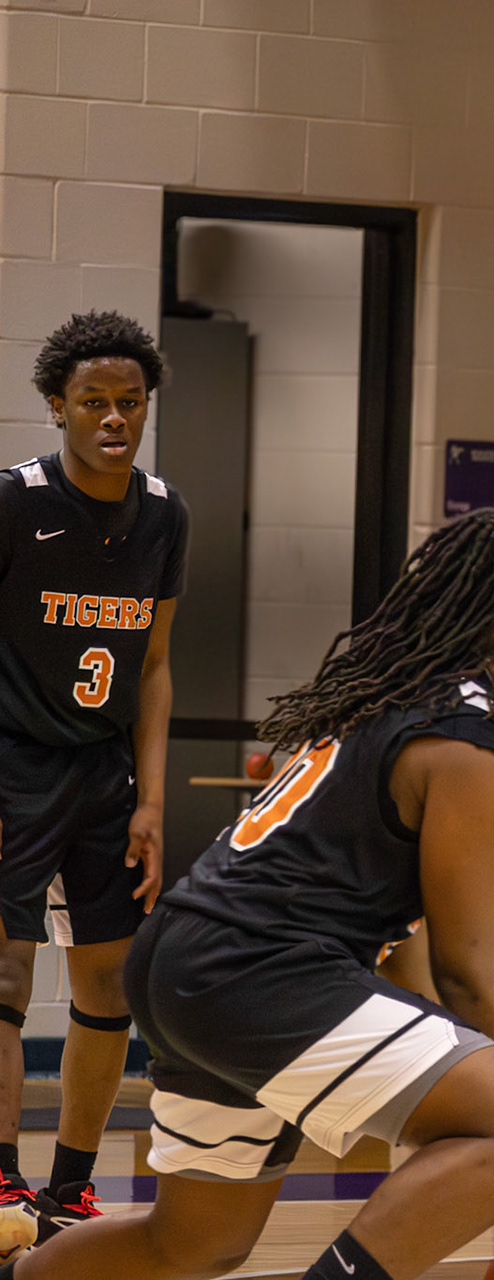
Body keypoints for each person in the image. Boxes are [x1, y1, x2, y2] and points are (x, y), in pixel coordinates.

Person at [5, 509, 494, 1280]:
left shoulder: (390, 703)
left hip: (181, 959)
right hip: (256, 969)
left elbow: (401, 943)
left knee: (195, 1242)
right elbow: (466, 975)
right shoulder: (468, 750)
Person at [0, 312, 188, 1248]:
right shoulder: (13, 503)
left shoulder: (163, 513)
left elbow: (154, 666)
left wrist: (153, 799)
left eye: (130, 402)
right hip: (12, 764)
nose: (115, 417)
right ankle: (0, 1182)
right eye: (95, 402)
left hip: (105, 775)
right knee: (5, 967)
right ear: (56, 407)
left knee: (110, 980)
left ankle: (67, 1189)